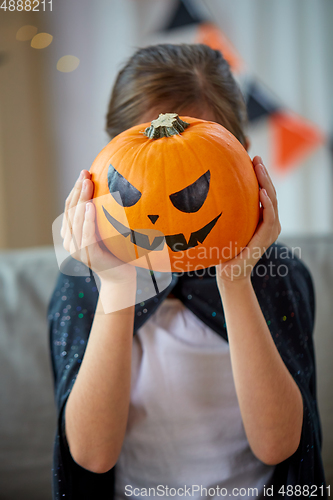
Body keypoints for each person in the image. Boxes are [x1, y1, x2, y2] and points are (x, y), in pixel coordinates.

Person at [48, 44, 326, 500]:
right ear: (106, 163)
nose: (162, 209)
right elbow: (91, 455)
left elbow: (280, 446)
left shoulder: (274, 274)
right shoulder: (85, 280)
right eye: (145, 174)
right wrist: (118, 283)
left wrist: (235, 280)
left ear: (244, 157)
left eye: (195, 173)